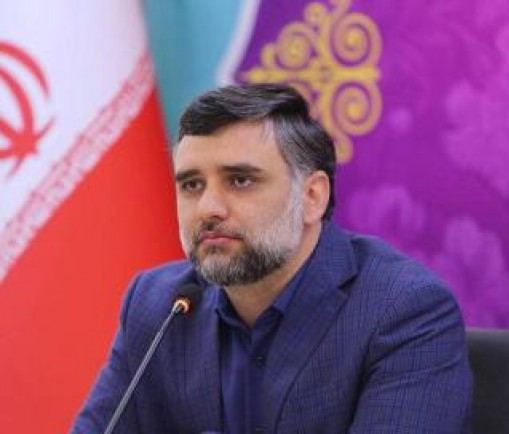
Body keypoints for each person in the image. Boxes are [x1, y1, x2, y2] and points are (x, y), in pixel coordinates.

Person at [72, 83, 472, 433]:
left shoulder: (403, 311)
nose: (209, 208)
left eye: (240, 180)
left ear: (312, 196)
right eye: (192, 185)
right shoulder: (157, 305)